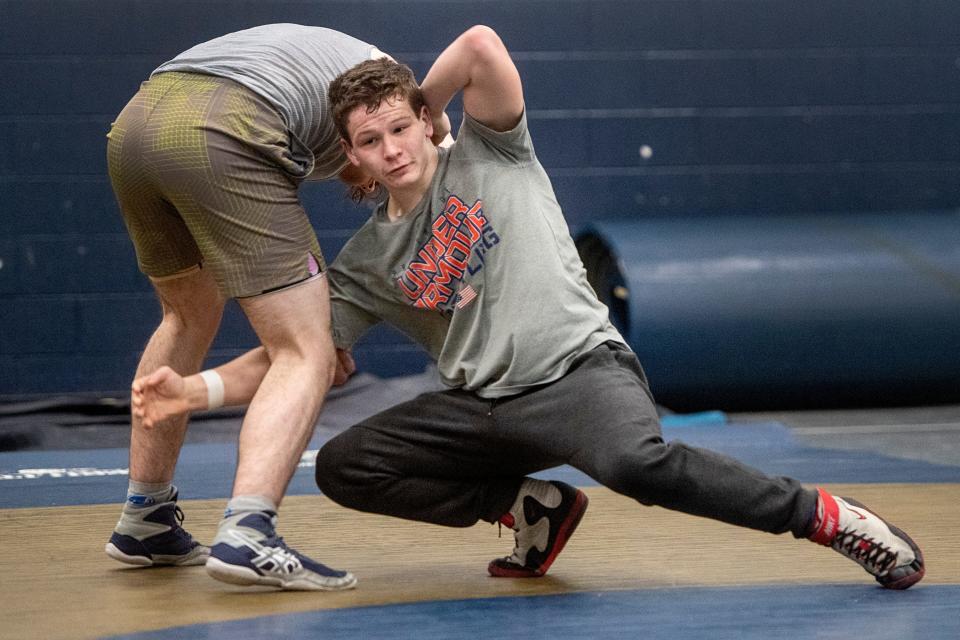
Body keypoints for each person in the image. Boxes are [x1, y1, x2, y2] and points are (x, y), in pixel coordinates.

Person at [133, 26, 925, 590]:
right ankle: (529, 505)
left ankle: (826, 518)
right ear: (354, 161)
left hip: (578, 374)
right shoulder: (368, 261)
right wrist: (192, 392)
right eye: (370, 143)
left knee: (637, 464)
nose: (392, 149)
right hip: (482, 407)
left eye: (401, 128)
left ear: (422, 123)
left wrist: (431, 100)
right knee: (348, 466)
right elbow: (288, 356)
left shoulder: (491, 152)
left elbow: (480, 44)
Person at [104, 24, 416, 591]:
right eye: (373, 147)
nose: (382, 164)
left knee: (187, 314)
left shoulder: (334, 82)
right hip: (225, 124)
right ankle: (249, 530)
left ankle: (146, 517)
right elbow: (434, 144)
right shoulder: (397, 97)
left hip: (136, 124)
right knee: (305, 350)